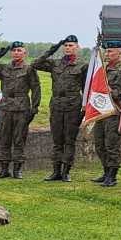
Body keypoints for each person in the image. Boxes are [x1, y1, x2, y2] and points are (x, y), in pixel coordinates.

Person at [32, 35, 88, 181]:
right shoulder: (55, 64)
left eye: (71, 45)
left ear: (77, 47)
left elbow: (86, 89)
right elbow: (35, 63)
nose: (68, 48)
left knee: (69, 140)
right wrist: (53, 48)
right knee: (57, 141)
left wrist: (84, 109)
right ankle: (56, 171)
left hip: (73, 106)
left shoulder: (83, 66)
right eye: (66, 46)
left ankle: (66, 172)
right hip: (56, 106)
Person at [0, 41, 41, 178]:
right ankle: (4, 169)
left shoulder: (29, 69)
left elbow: (36, 88)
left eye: (19, 50)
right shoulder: (5, 68)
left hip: (22, 109)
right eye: (14, 50)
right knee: (4, 138)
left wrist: (34, 108)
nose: (16, 53)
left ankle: (17, 169)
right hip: (6, 108)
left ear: (24, 53)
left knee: (19, 139)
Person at [91, 41, 121, 187]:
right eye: (106, 51)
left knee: (111, 145)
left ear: (119, 53)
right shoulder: (103, 69)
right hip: (101, 111)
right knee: (99, 144)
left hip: (113, 112)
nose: (107, 54)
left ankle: (112, 176)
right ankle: (106, 171)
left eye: (110, 51)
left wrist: (107, 91)